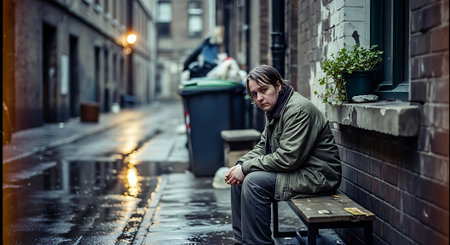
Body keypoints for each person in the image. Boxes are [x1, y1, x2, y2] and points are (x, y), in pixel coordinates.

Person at [225, 65, 342, 245]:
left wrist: (246, 168)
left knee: (254, 182)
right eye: (254, 94)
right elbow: (263, 146)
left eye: (264, 90)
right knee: (238, 180)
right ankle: (242, 241)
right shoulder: (276, 109)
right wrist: (240, 165)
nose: (259, 98)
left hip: (318, 176)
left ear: (278, 86)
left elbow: (288, 158)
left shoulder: (298, 110)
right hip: (299, 171)